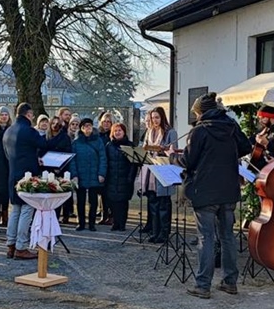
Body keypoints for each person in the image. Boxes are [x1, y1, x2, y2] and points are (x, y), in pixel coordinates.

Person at [181, 92, 252, 298]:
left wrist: (174, 157)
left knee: (207, 238)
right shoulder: (231, 126)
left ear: (201, 111)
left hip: (204, 191)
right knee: (228, 237)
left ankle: (203, 285)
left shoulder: (199, 131)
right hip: (228, 189)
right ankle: (230, 282)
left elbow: (188, 161)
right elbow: (246, 147)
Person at [3, 102, 53, 260]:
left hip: (12, 174)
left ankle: (10, 245)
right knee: (26, 210)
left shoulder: (8, 131)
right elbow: (43, 144)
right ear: (29, 115)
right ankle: (21, 247)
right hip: (27, 175)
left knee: (15, 210)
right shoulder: (29, 131)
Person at [141, 106, 178, 243]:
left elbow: (174, 151)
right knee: (153, 203)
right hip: (151, 169)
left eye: (157, 117)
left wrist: (163, 150)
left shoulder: (170, 132)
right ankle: (154, 231)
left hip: (164, 169)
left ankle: (164, 233)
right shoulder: (149, 131)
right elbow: (145, 146)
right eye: (152, 118)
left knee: (163, 204)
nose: (154, 121)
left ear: (162, 117)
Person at [70, 117, 106, 231]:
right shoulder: (76, 143)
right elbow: (72, 160)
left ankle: (91, 223)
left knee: (93, 201)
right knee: (80, 201)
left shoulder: (98, 141)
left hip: (94, 175)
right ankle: (80, 222)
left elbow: (103, 158)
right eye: (85, 126)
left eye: (89, 126)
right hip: (80, 175)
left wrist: (102, 173)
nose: (87, 128)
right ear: (81, 128)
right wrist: (74, 175)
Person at [104, 122, 138, 232]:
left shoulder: (130, 145)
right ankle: (115, 223)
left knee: (123, 202)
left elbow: (134, 163)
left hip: (125, 178)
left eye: (120, 130)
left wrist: (130, 177)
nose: (117, 132)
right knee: (112, 202)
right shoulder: (109, 146)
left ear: (124, 132)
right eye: (115, 131)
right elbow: (106, 161)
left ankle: (122, 223)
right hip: (112, 178)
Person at [44, 117, 74, 224]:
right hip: (47, 169)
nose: (55, 125)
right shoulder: (45, 137)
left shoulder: (65, 137)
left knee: (60, 193)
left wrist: (59, 167)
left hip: (61, 169)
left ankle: (62, 216)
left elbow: (68, 153)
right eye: (53, 123)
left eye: (57, 123)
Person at [96, 112, 114, 224]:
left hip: (112, 166)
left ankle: (112, 215)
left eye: (108, 121)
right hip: (101, 165)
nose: (106, 124)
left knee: (110, 192)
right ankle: (104, 214)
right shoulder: (98, 135)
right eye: (104, 121)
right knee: (102, 193)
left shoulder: (113, 134)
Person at [250, 104, 274, 169]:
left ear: (270, 117)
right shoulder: (265, 129)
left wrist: (266, 143)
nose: (260, 121)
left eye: (262, 118)